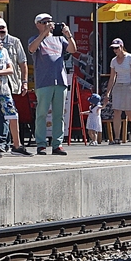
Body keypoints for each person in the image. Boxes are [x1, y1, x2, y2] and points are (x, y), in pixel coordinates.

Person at [28, 13, 77, 155]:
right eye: (44, 22)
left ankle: (57, 144)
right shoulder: (35, 39)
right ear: (38, 24)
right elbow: (31, 49)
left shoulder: (60, 39)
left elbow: (73, 50)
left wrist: (68, 35)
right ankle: (41, 144)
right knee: (41, 114)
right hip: (44, 82)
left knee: (59, 115)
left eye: (50, 21)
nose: (49, 24)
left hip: (60, 80)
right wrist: (43, 33)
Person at [0, 18, 30, 155]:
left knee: (11, 115)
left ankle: (16, 145)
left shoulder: (12, 44)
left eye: (1, 32)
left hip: (7, 87)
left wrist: (24, 82)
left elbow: (16, 66)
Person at [103, 38, 131, 143]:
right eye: (113, 48)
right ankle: (116, 138)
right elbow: (112, 77)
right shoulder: (113, 61)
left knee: (130, 113)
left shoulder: (130, 58)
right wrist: (107, 93)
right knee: (117, 111)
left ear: (121, 47)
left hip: (129, 85)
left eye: (117, 48)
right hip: (118, 86)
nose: (115, 50)